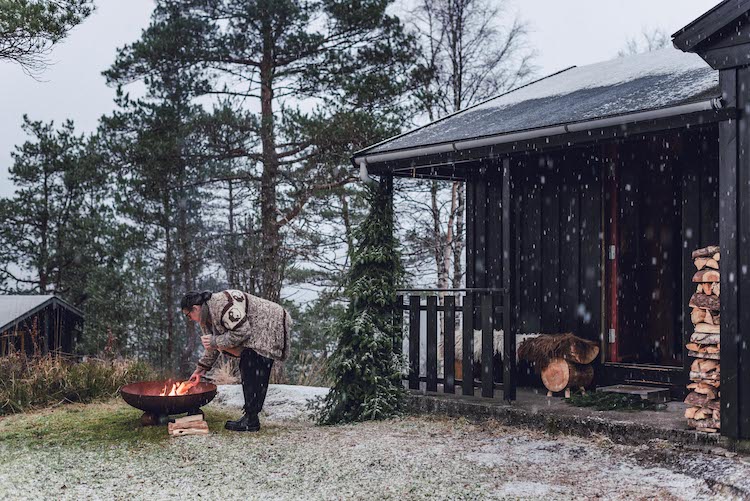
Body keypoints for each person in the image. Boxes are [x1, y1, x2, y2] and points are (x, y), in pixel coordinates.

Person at [181, 289, 292, 432]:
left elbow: (242, 332)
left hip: (270, 322)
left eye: (188, 315)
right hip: (255, 328)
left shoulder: (222, 305)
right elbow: (212, 346)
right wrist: (200, 370)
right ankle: (251, 417)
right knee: (250, 362)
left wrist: (215, 341)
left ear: (195, 308)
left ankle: (251, 419)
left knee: (253, 364)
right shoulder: (205, 319)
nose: (190, 319)